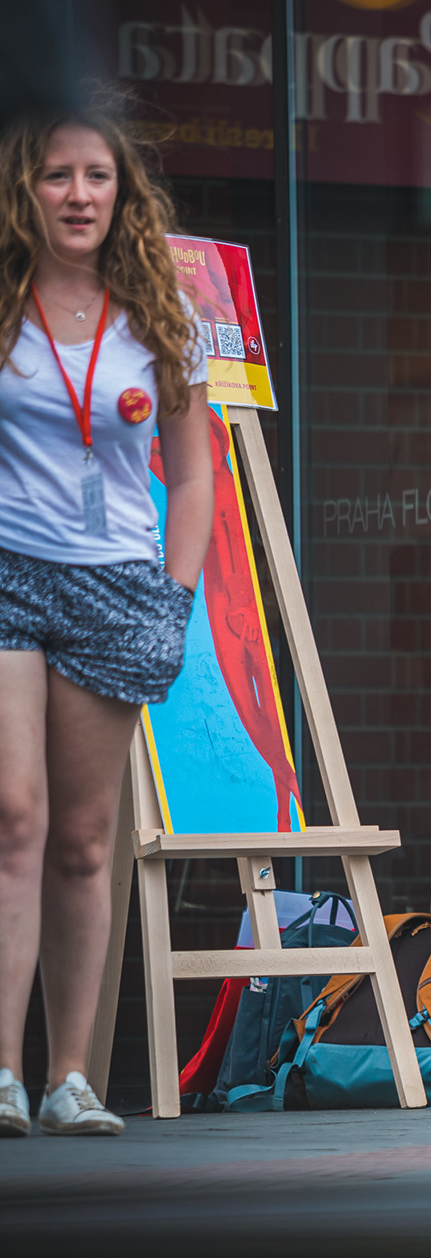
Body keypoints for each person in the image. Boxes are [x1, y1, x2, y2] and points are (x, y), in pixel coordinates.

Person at [0, 107, 213, 1136]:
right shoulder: (6, 306)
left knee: (86, 843)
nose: (79, 194)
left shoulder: (161, 311)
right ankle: (2, 1072)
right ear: (24, 188)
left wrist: (174, 598)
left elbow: (194, 473)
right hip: (8, 577)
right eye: (57, 175)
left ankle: (68, 1077)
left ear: (123, 192)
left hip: (117, 587)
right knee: (15, 815)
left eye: (96, 175)